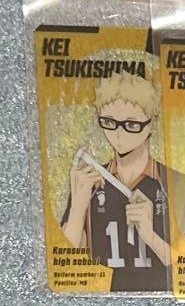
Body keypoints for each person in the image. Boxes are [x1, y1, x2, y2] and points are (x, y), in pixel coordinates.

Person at [61, 70, 172, 291]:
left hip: (163, 300)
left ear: (152, 124)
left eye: (131, 124)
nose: (119, 135)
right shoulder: (88, 182)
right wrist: (77, 210)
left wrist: (150, 236)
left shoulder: (171, 182)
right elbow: (64, 265)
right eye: (109, 122)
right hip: (102, 301)